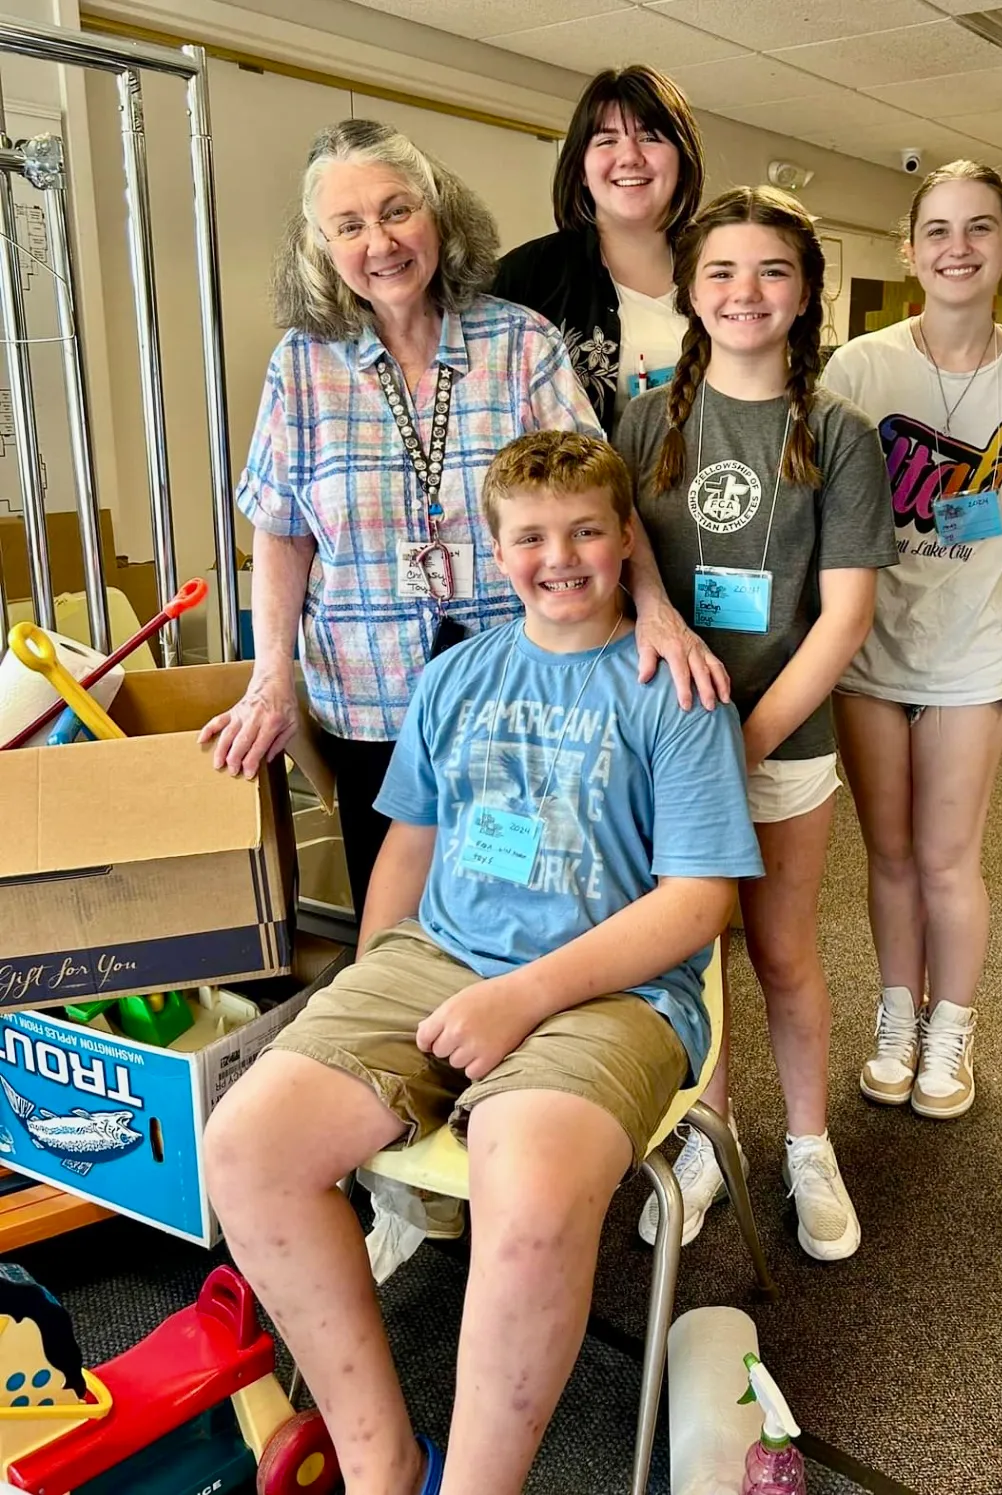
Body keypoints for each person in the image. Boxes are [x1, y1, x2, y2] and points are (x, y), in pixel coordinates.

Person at [202, 430, 764, 1495]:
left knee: (531, 1188)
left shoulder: (675, 688)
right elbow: (411, 844)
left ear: (625, 539)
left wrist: (521, 998)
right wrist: (366, 995)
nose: (562, 556)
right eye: (533, 536)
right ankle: (381, 1466)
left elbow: (702, 903)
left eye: (588, 530)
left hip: (613, 989)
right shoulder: (456, 677)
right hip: (441, 955)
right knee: (245, 1146)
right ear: (494, 549)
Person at [197, 118, 603, 920]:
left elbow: (597, 502)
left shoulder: (520, 342)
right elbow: (283, 530)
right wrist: (271, 675)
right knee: (395, 921)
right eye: (348, 225)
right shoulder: (302, 366)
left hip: (519, 691)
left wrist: (646, 618)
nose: (378, 242)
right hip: (372, 700)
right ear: (321, 246)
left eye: (396, 210)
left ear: (438, 214)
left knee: (517, 908)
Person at [617, 187, 898, 1261]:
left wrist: (744, 742)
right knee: (692, 960)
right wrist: (689, 744)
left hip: (784, 741)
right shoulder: (648, 419)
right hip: (666, 744)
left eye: (772, 271)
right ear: (690, 290)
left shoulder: (838, 433)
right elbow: (624, 566)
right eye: (722, 272)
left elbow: (844, 618)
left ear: (807, 292)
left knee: (781, 953)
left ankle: (810, 1144)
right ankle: (707, 1130)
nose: (746, 292)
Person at [820, 160, 1002, 1120]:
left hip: (971, 655)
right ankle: (897, 1014)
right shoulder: (860, 368)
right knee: (886, 854)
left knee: (946, 856)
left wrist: (972, 592)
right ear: (910, 249)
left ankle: (950, 1028)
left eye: (980, 228)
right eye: (938, 230)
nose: (958, 247)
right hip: (868, 651)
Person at [493, 64, 703, 437]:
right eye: (607, 140)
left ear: (683, 162)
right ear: (581, 170)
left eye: (650, 136)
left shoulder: (720, 269)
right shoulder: (526, 278)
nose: (630, 156)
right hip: (579, 493)